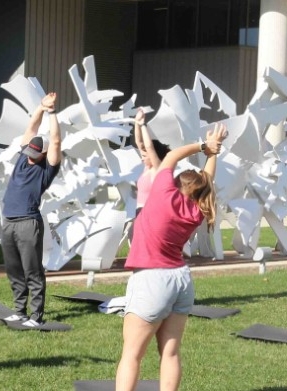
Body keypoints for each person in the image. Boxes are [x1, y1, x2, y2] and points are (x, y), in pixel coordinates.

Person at [115, 124, 227, 391]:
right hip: (181, 281)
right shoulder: (197, 209)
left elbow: (172, 156)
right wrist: (213, 153)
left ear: (175, 185)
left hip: (152, 279)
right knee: (171, 352)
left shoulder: (163, 194)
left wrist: (204, 147)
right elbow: (207, 182)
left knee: (131, 354)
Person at [0, 92, 63, 327]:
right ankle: (19, 310)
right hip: (9, 221)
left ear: (44, 154)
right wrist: (40, 107)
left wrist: (52, 112)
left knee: (32, 270)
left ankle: (35, 316)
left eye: (36, 154)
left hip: (28, 222)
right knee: (14, 269)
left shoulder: (47, 168)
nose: (31, 157)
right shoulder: (23, 156)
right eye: (30, 152)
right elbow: (32, 127)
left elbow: (55, 141)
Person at [129, 108, 171, 243]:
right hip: (140, 210)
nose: (142, 156)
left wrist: (142, 125)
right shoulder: (147, 167)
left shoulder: (158, 169)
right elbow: (140, 143)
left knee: (151, 243)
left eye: (145, 155)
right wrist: (137, 123)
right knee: (140, 244)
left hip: (152, 212)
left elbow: (148, 147)